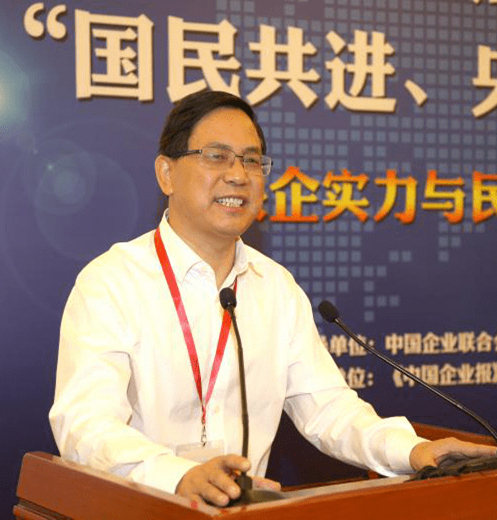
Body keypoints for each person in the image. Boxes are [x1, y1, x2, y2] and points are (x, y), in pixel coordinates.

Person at [49, 90, 496, 508]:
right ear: (166, 173)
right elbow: (85, 424)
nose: (238, 175)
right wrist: (177, 476)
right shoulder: (112, 282)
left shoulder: (275, 287)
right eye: (216, 156)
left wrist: (414, 451)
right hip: (141, 511)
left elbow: (329, 410)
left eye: (251, 160)